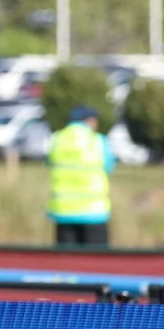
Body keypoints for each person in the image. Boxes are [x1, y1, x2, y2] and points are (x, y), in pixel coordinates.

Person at [48, 105, 115, 248]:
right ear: (89, 120)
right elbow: (109, 167)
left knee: (66, 260)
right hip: (94, 212)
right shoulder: (97, 141)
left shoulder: (57, 139)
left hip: (63, 212)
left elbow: (50, 163)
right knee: (95, 260)